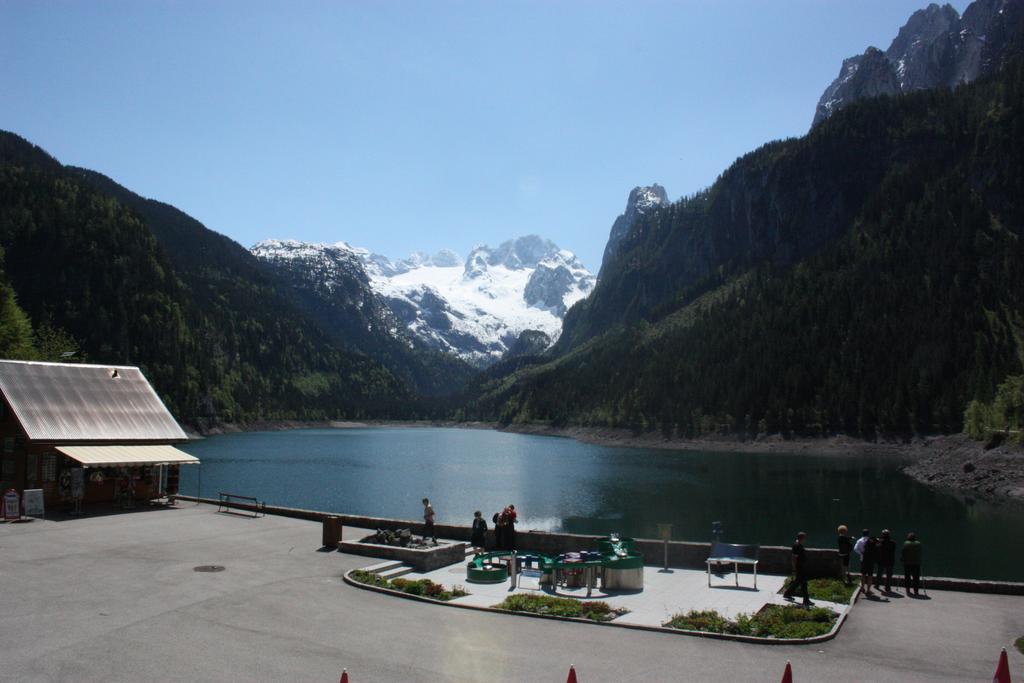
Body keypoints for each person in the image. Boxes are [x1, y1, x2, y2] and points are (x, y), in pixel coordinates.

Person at [783, 531, 812, 607]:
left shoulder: (799, 545)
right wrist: (794, 569)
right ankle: (806, 600)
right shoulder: (796, 545)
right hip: (799, 567)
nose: (805, 540)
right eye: (804, 538)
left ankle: (787, 594)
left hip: (801, 567)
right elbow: (793, 558)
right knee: (803, 583)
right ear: (801, 538)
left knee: (798, 582)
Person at [902, 532, 923, 597]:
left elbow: (903, 552)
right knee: (916, 578)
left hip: (907, 563)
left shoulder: (906, 543)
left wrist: (902, 559)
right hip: (916, 563)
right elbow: (920, 552)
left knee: (907, 577)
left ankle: (908, 590)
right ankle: (916, 591)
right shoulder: (918, 543)